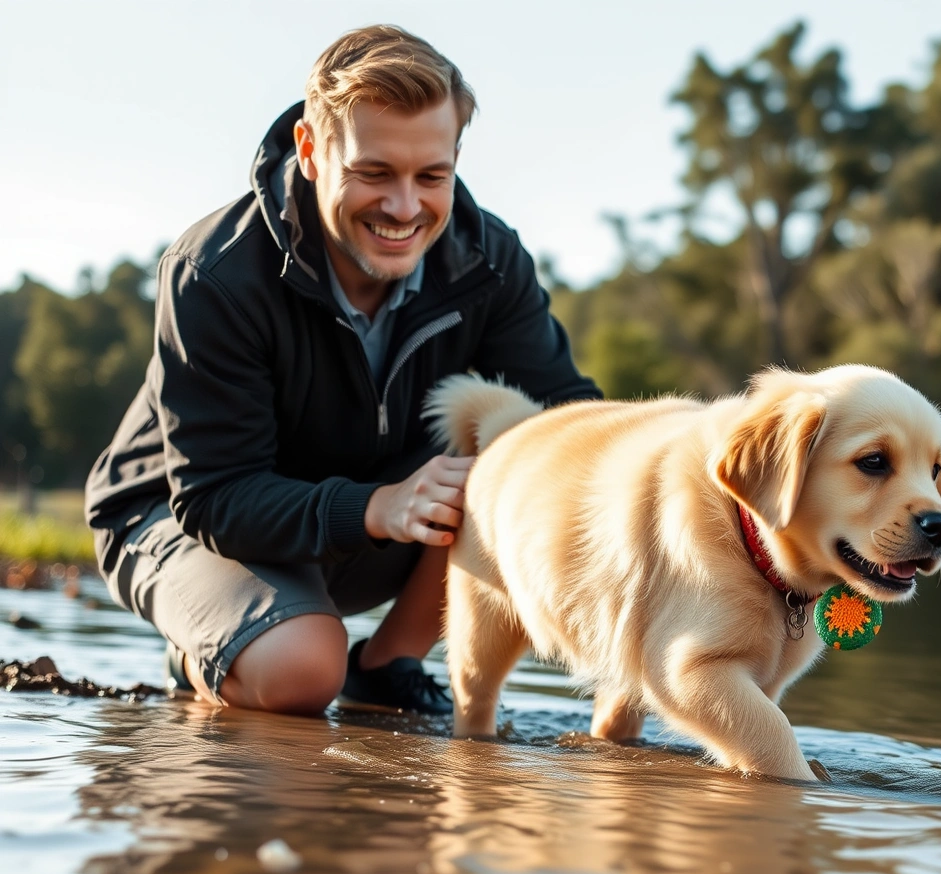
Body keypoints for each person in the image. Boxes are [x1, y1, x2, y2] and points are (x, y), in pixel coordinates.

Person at [84, 26, 600, 716]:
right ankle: (210, 649)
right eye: (374, 173)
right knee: (301, 670)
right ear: (310, 151)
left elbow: (575, 425)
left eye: (432, 176)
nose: (405, 208)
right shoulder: (213, 272)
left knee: (527, 449)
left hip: (374, 526)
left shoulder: (491, 260)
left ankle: (390, 663)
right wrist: (379, 506)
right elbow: (215, 495)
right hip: (181, 516)